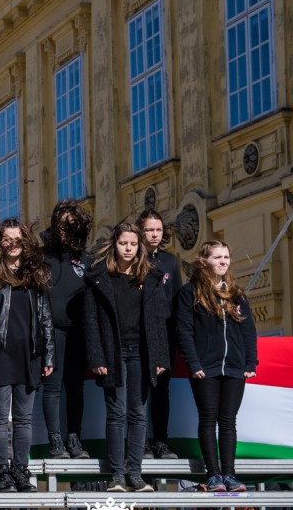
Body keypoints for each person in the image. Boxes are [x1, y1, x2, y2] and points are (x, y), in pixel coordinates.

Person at [85, 222, 170, 493]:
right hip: (114, 352)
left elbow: (158, 320)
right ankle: (117, 475)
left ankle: (135, 473)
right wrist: (97, 356)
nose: (128, 248)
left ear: (139, 247)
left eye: (133, 244)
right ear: (115, 245)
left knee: (138, 413)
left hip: (141, 353)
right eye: (123, 243)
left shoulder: (150, 277)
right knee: (116, 412)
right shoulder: (99, 277)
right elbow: (91, 321)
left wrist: (160, 357)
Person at [0, 219, 54, 492]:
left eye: (18, 240)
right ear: (0, 242)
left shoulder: (35, 274)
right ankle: (2, 472)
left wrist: (48, 355)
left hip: (29, 354)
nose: (13, 244)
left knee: (23, 418)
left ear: (25, 242)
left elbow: (45, 318)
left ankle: (20, 470)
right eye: (7, 239)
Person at [175, 240, 258, 492]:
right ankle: (213, 475)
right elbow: (184, 331)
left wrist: (250, 362)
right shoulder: (190, 292)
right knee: (209, 419)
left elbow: (248, 331)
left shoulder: (236, 294)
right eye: (217, 257)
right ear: (204, 262)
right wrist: (193, 363)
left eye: (226, 257)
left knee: (229, 421)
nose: (223, 261)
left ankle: (229, 474)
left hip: (234, 368)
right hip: (205, 368)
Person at [41, 200, 94, 458]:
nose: (67, 229)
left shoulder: (86, 259)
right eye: (62, 224)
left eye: (72, 224)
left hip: (78, 332)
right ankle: (55, 441)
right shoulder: (43, 257)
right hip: (52, 331)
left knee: (75, 387)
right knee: (52, 387)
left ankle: (74, 437)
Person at [137, 209, 182, 459]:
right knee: (140, 391)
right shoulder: (132, 260)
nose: (154, 234)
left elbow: (178, 301)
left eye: (158, 230)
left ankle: (161, 442)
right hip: (138, 334)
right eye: (149, 230)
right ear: (140, 232)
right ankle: (141, 442)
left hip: (165, 335)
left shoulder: (171, 262)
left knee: (161, 391)